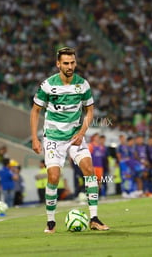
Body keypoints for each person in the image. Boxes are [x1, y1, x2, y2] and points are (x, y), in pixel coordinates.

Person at [30, 46, 109, 233]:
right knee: (54, 177)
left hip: (75, 136)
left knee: (89, 170)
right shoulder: (48, 85)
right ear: (58, 64)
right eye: (66, 63)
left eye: (72, 62)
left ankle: (94, 219)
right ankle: (50, 222)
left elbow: (90, 111)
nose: (70, 66)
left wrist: (81, 133)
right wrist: (35, 138)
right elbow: (35, 111)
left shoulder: (83, 85)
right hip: (53, 139)